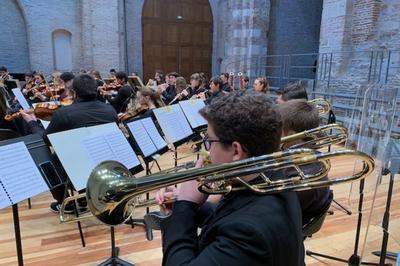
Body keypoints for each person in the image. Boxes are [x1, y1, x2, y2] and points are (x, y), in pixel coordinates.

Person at [156, 92, 305, 265]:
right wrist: (190, 207)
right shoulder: (272, 177)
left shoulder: (246, 233)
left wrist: (185, 204)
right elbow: (232, 212)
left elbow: (240, 221)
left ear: (236, 150)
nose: (207, 152)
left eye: (210, 141)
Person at [20, 74, 118, 213]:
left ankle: (66, 204)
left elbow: (46, 140)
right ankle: (85, 197)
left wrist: (31, 122)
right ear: (96, 90)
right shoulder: (110, 110)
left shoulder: (65, 112)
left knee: (46, 159)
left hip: (77, 169)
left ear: (75, 93)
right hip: (105, 164)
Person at [278, 99, 332, 225]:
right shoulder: (308, 156)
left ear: (291, 135)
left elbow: (274, 211)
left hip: (287, 227)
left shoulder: (303, 177)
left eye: (277, 129)